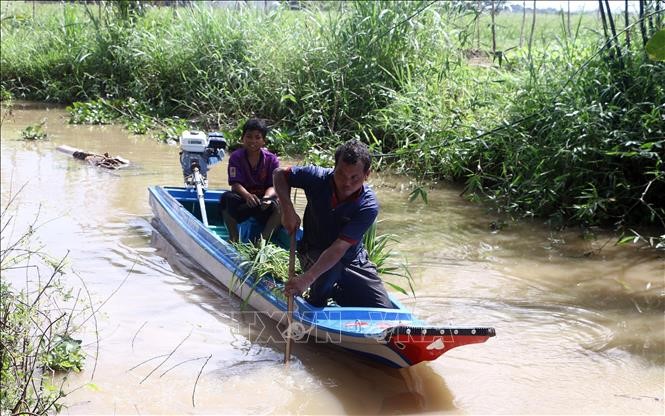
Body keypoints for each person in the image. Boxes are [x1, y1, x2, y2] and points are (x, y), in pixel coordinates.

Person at [273, 139, 392, 308]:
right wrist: (287, 209)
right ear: (334, 167)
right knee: (323, 288)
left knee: (383, 309)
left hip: (353, 259)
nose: (346, 183)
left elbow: (339, 249)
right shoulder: (316, 177)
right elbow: (279, 174)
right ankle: (316, 300)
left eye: (354, 177)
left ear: (367, 175)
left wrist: (306, 278)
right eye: (341, 174)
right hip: (313, 250)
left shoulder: (368, 205)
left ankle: (338, 292)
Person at [220, 118, 281, 242]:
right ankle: (234, 238)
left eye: (257, 137)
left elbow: (274, 185)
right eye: (249, 136)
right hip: (244, 201)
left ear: (264, 140)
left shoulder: (272, 159)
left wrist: (267, 198)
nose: (253, 141)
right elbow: (235, 184)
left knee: (282, 205)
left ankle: (262, 241)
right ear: (243, 138)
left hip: (263, 202)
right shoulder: (236, 157)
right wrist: (247, 195)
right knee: (226, 199)